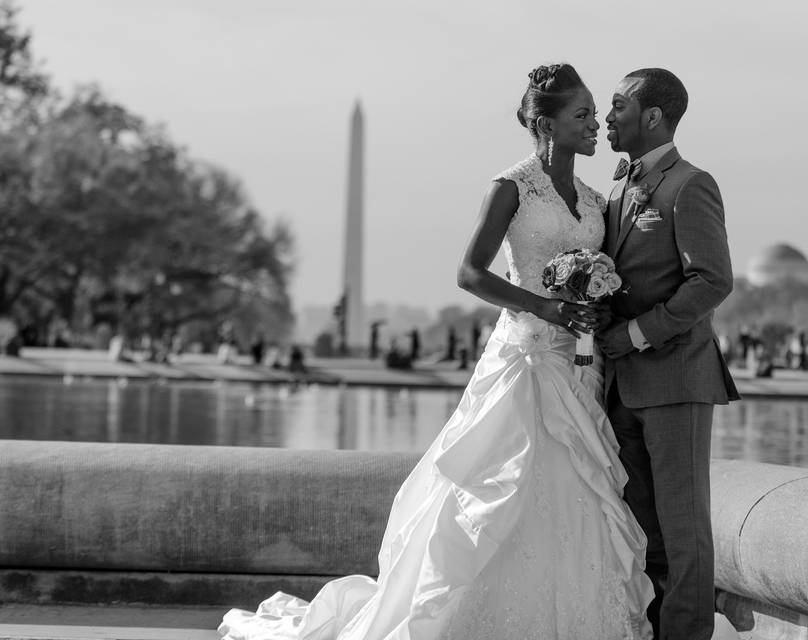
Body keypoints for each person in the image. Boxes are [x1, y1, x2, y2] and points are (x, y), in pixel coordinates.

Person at [220, 63, 659, 639]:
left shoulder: (598, 198)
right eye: (582, 115)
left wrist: (593, 303)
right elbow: (469, 272)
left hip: (579, 365)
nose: (596, 124)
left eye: (596, 113)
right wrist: (545, 306)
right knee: (501, 489)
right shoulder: (511, 187)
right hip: (526, 360)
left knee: (580, 491)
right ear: (547, 125)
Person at [597, 68, 740, 640]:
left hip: (676, 380)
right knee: (641, 526)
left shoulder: (691, 185)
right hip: (619, 385)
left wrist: (634, 335)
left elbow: (711, 281)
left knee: (684, 529)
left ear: (651, 116)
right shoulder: (613, 189)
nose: (606, 118)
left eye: (616, 107)